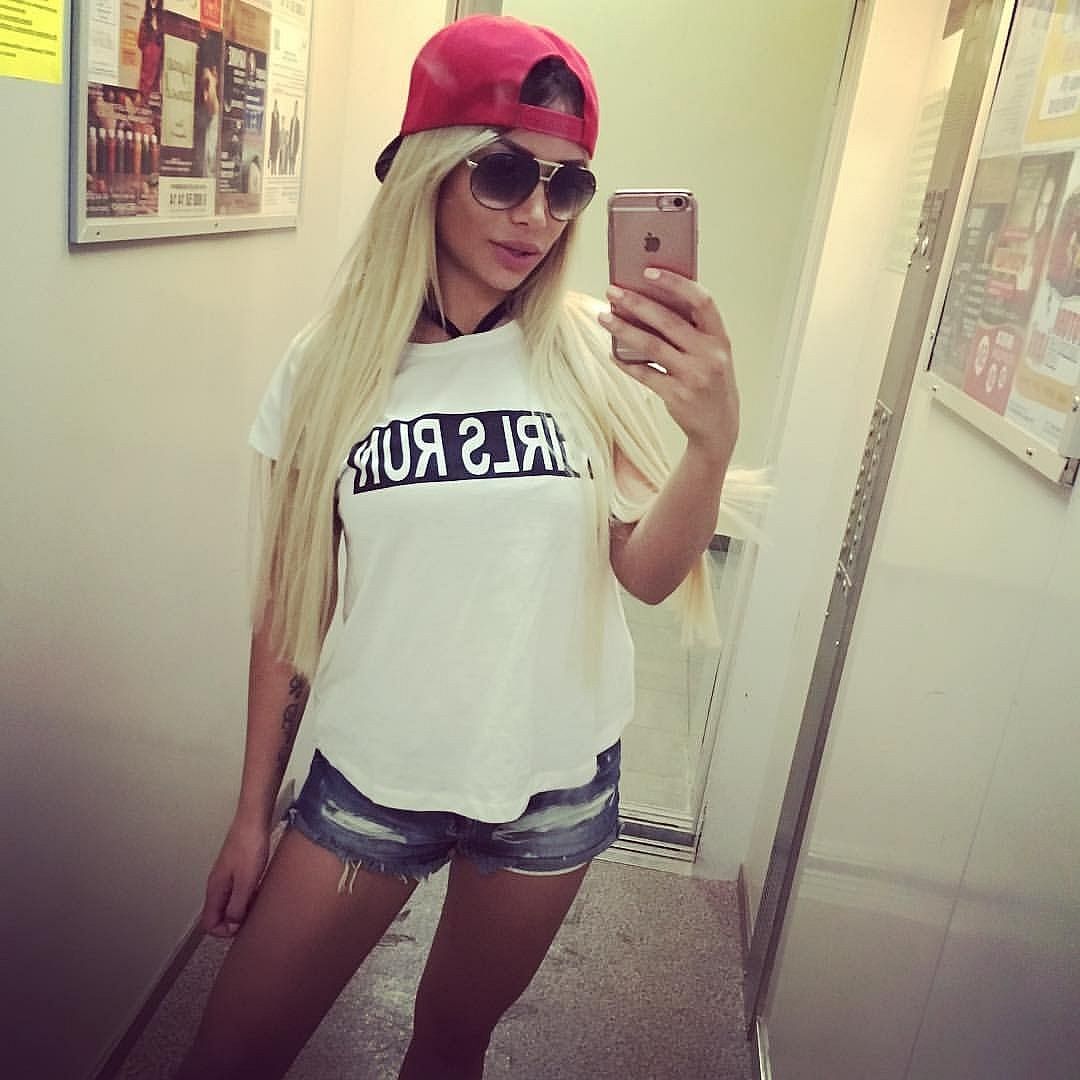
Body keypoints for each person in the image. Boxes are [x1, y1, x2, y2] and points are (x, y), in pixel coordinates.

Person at [174, 15, 756, 1080]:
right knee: (226, 1058)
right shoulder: (327, 366)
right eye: (502, 174)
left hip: (550, 787)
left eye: (566, 186)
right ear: (426, 172)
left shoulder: (588, 351)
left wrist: (710, 448)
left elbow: (647, 575)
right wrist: (250, 816)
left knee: (450, 1043)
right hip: (373, 778)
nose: (536, 214)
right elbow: (291, 606)